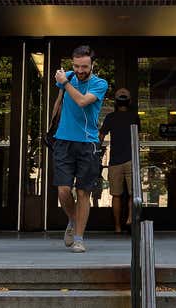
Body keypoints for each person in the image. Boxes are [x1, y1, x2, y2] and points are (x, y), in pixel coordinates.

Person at [52, 44, 108, 253]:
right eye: (76, 66)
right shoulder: (67, 77)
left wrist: (65, 82)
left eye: (84, 66)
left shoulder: (100, 83)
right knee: (64, 190)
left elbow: (83, 101)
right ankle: (74, 219)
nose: (80, 71)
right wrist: (51, 126)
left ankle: (79, 238)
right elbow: (60, 100)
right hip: (64, 141)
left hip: (88, 143)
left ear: (92, 65)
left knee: (84, 192)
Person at [99, 88, 137, 234]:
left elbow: (101, 137)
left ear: (115, 102)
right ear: (130, 101)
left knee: (116, 195)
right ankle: (129, 219)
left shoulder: (110, 117)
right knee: (134, 194)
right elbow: (136, 136)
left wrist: (96, 151)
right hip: (131, 159)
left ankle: (117, 227)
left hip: (115, 161)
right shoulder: (134, 117)